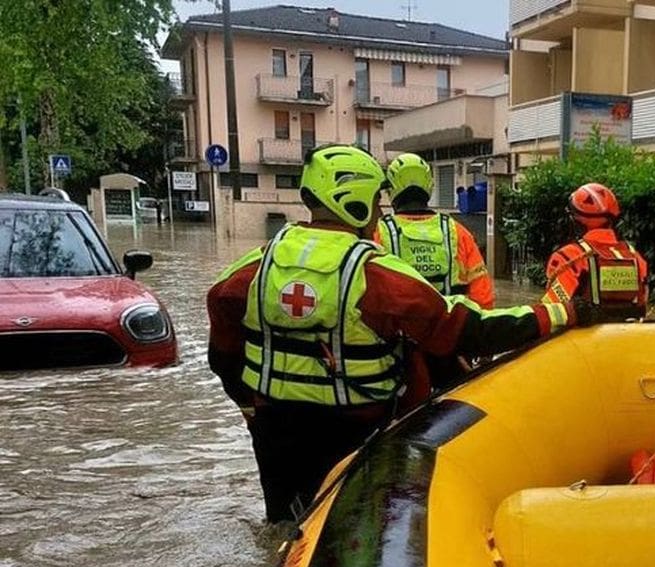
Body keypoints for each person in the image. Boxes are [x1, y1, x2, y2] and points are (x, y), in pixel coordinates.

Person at [207, 145, 578, 523]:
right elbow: (471, 328)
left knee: (284, 526)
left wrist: (251, 407)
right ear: (357, 204)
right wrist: (560, 313)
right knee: (361, 526)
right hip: (357, 432)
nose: (380, 212)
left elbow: (222, 355)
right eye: (375, 201)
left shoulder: (250, 270)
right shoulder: (377, 277)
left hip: (276, 434)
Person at [377, 153, 494, 309]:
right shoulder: (458, 232)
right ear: (429, 186)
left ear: (391, 190)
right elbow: (482, 295)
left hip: (398, 331)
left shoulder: (378, 233)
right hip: (451, 329)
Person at [541, 182, 649, 320]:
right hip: (628, 336)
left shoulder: (569, 257)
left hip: (584, 338)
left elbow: (553, 310)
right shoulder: (635, 256)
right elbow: (642, 304)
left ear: (576, 220)